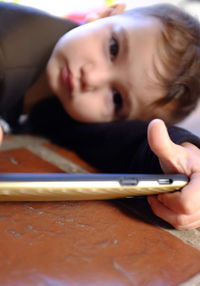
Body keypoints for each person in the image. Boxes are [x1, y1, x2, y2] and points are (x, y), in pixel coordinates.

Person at [1, 2, 200, 230]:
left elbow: (124, 139)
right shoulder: (11, 40)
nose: (92, 78)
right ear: (103, 14)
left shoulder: (62, 103)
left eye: (117, 98)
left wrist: (187, 156)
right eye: (113, 48)